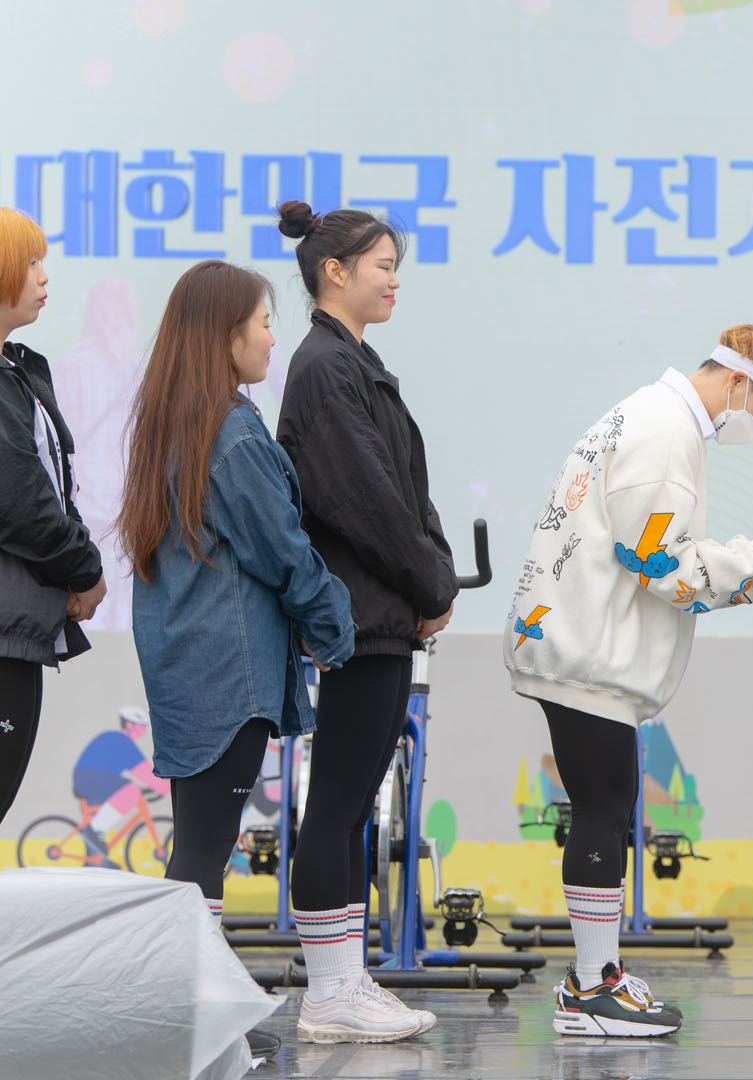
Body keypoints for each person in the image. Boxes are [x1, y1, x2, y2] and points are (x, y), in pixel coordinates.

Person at [505, 326, 753, 1037]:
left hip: (580, 647)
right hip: (588, 656)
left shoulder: (652, 416)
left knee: (606, 807)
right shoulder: (666, 431)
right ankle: (591, 989)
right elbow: (659, 564)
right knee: (603, 809)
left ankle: (597, 977)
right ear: (739, 383)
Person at [119, 260, 356, 1057]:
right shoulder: (230, 430)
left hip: (190, 660)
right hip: (229, 668)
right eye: (262, 323)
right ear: (225, 336)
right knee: (203, 849)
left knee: (199, 841)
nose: (270, 339)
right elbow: (281, 549)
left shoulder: (176, 421)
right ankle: (190, 1021)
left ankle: (191, 1016)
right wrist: (334, 625)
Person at [274, 200, 457, 1042]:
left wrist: (433, 578)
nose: (394, 282)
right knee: (338, 805)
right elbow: (368, 501)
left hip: (384, 614)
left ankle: (346, 982)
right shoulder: (323, 368)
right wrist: (430, 582)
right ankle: (328, 994)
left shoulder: (354, 361)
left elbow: (405, 490)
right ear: (335, 271)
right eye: (383, 266)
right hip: (360, 617)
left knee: (352, 806)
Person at [0, 206, 106, 825]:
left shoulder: (16, 370)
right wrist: (84, 570)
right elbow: (20, 501)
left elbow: (48, 490)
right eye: (32, 262)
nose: (45, 276)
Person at [70, 706, 169, 859]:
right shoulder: (121, 742)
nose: (145, 730)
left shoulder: (118, 739)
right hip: (90, 778)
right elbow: (145, 773)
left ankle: (97, 859)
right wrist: (168, 787)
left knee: (98, 838)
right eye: (141, 726)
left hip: (91, 779)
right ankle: (94, 830)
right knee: (131, 791)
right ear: (129, 725)